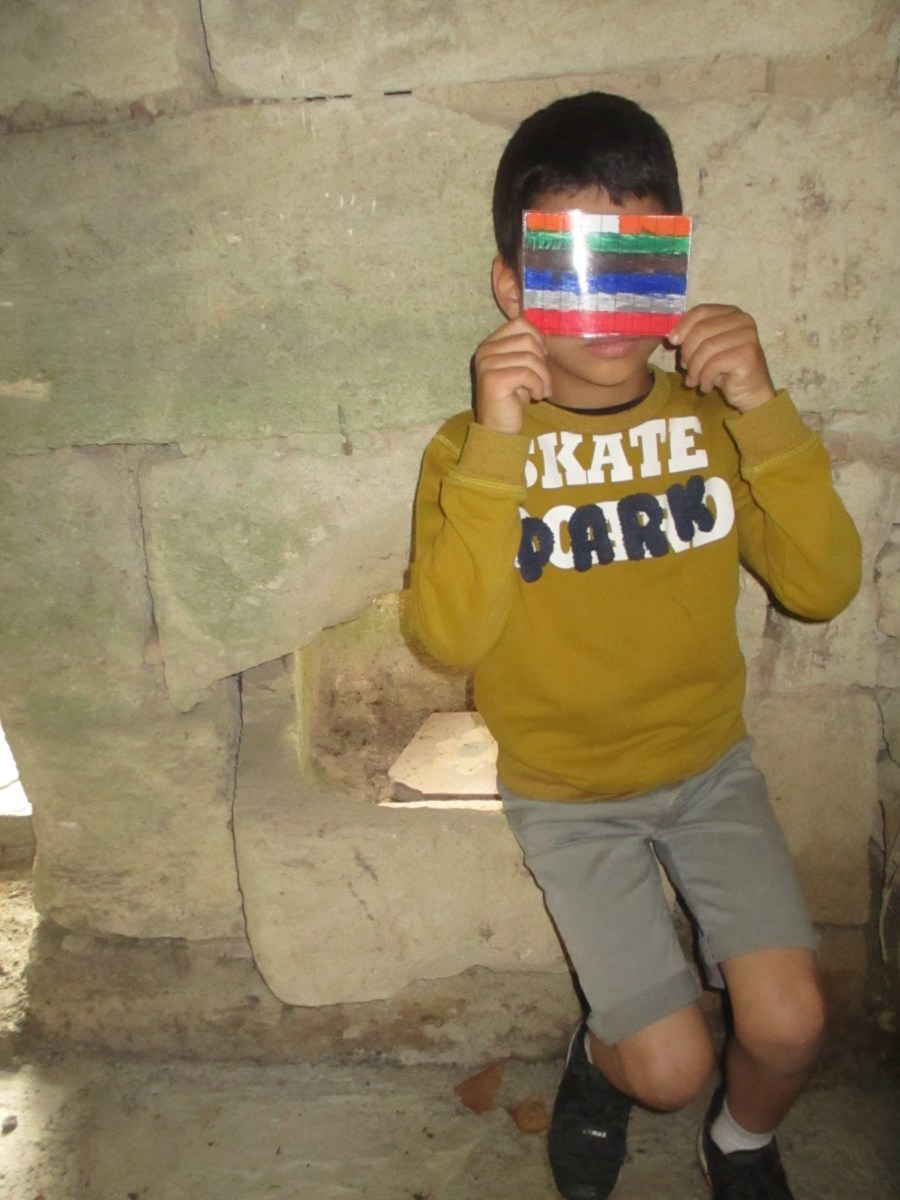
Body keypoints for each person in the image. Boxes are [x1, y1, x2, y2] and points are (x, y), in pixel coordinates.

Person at [408, 91, 861, 1200]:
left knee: (792, 1024)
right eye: (574, 269)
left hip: (711, 771)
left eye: (636, 264)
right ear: (513, 287)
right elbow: (447, 636)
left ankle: (740, 1142)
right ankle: (600, 1056)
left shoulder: (713, 424)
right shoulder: (468, 450)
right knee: (667, 1070)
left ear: (674, 265)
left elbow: (823, 586)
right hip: (568, 796)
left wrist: (763, 408)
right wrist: (499, 448)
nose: (607, 312)